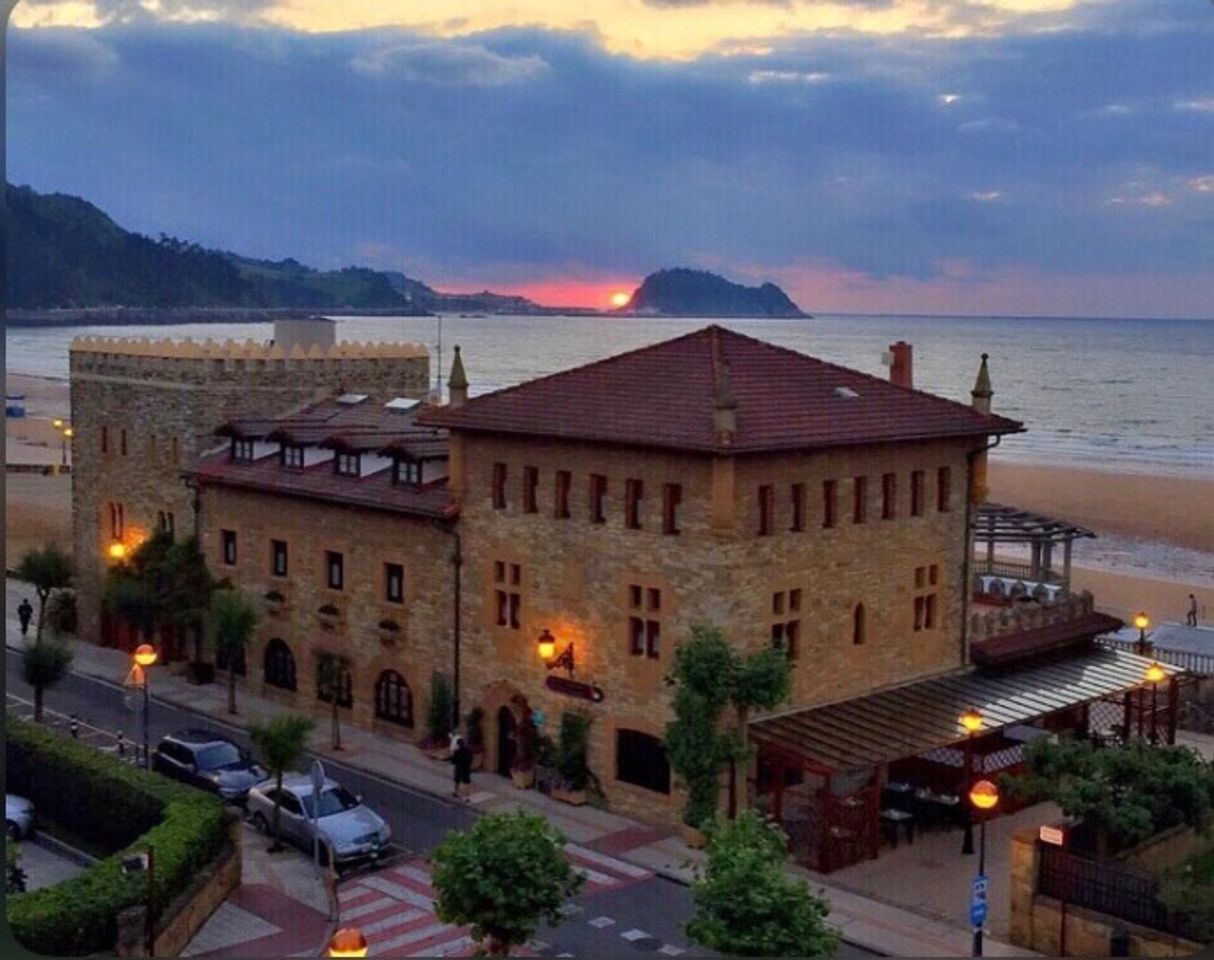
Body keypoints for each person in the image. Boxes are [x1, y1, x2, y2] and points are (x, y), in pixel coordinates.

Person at [452, 737, 473, 801]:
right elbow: (471, 759)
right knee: (466, 782)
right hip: (466, 768)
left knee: (457, 781)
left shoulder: (457, 751)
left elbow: (453, 761)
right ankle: (467, 797)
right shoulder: (468, 751)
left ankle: (456, 793)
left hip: (458, 768)